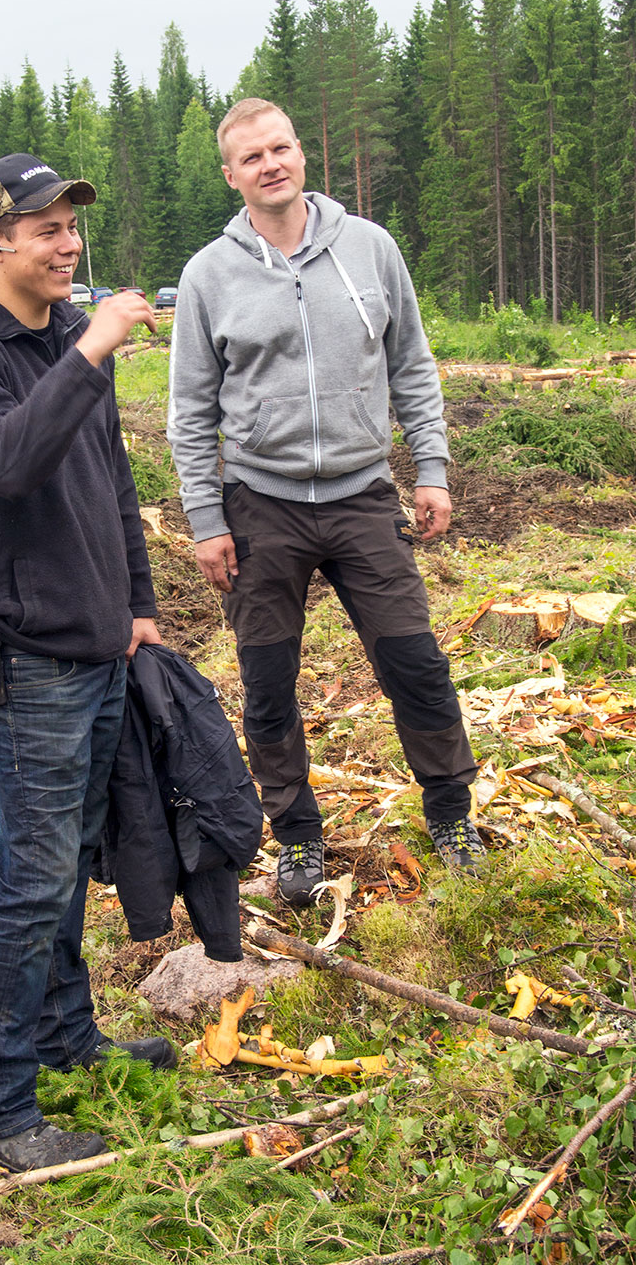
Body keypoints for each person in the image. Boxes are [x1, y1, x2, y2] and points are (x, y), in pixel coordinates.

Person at [0, 153, 175, 1174]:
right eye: (46, 229)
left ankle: (69, 1041)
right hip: (22, 657)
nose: (69, 245)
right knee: (31, 877)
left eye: (73, 227)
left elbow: (110, 479)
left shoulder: (70, 334)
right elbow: (11, 459)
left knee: (67, 861)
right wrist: (97, 347)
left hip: (97, 640)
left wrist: (139, 603)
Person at [167, 98, 482, 907]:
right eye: (253, 156)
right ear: (231, 175)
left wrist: (433, 468)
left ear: (301, 156)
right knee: (268, 684)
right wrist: (207, 521)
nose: (272, 164)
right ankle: (297, 838)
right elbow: (191, 412)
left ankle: (451, 816)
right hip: (260, 507)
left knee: (416, 665)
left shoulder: (370, 249)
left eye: (283, 148)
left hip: (363, 497)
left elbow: (411, 363)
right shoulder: (210, 275)